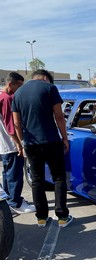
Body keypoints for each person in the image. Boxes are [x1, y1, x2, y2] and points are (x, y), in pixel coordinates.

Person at [12, 69, 73, 228]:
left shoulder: (18, 94)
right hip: (51, 140)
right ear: (46, 78)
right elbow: (59, 116)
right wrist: (65, 138)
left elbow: (16, 123)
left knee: (37, 180)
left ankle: (41, 218)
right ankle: (62, 217)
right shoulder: (50, 88)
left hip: (31, 143)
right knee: (59, 178)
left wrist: (22, 142)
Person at [0, 72, 36, 214]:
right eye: (19, 86)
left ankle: (9, 200)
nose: (21, 89)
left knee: (8, 174)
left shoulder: (2, 97)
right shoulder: (8, 99)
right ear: (11, 84)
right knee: (14, 175)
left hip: (4, 145)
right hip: (11, 145)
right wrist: (19, 144)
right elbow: (12, 126)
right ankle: (15, 203)